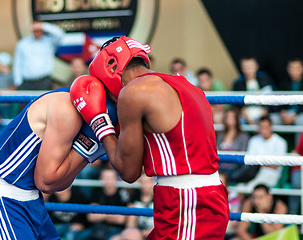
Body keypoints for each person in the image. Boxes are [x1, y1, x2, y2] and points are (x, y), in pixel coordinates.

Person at [71, 36, 229, 239]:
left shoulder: (134, 92)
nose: (110, 96)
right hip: (195, 197)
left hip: (187, 202)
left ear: (110, 68)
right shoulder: (184, 85)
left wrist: (99, 122)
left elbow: (128, 172)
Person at [0, 86, 117, 239]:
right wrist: (90, 145)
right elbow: (46, 183)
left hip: (32, 199)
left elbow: (129, 173)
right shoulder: (66, 107)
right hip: (4, 199)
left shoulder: (99, 108)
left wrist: (94, 146)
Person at [235, 116, 287, 192]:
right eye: (261, 127)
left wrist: (259, 163)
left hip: (270, 174)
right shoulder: (254, 140)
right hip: (252, 173)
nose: (263, 130)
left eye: (265, 127)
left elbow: (276, 165)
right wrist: (266, 163)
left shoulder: (281, 142)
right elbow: (250, 161)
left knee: (250, 189)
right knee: (239, 188)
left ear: (271, 127)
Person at [13, 21, 65, 91]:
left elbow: (60, 34)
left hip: (44, 82)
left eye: (39, 30)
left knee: (44, 102)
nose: (37, 32)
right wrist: (18, 82)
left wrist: (44, 26)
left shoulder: (49, 41)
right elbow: (17, 63)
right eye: (35, 30)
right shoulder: (23, 43)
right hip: (26, 83)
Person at [87, 167, 130, 240]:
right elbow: (91, 217)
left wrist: (101, 214)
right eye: (105, 178)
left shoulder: (122, 193)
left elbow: (121, 219)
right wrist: (112, 215)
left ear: (116, 179)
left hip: (116, 229)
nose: (108, 180)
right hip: (98, 227)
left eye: (110, 178)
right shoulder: (97, 192)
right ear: (101, 179)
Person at [231, 56, 274, 124]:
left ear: (256, 66)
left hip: (263, 112)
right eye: (245, 67)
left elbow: (270, 98)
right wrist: (246, 117)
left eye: (250, 66)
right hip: (246, 114)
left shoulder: (265, 79)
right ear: (242, 68)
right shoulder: (238, 83)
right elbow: (236, 105)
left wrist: (265, 113)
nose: (248, 70)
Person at [216, 108, 250, 179]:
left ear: (236, 119)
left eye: (231, 117)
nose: (229, 119)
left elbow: (242, 153)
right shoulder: (221, 135)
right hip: (220, 168)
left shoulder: (243, 136)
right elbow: (216, 151)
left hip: (234, 169)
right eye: (227, 117)